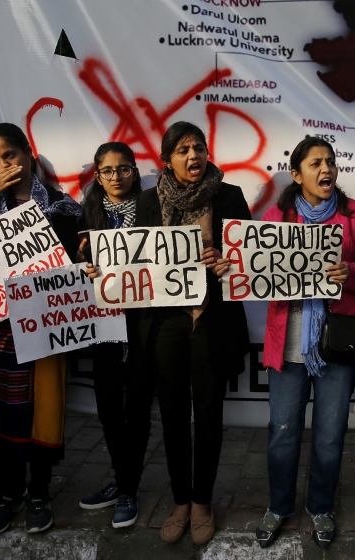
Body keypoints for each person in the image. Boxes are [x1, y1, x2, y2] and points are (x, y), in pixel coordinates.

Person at [215, 137, 355, 549]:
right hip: (287, 343)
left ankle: (321, 506)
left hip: (337, 343)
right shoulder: (277, 216)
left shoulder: (354, 214)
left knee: (329, 433)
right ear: (297, 173)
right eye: (317, 163)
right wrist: (229, 266)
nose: (326, 170)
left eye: (331, 162)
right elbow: (254, 272)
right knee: (283, 430)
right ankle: (280, 505)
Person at [0, 122, 84, 535]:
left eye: (9, 155)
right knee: (3, 411)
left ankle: (39, 493)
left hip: (43, 327)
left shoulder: (65, 209)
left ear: (29, 153)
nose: (4, 165)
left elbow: (72, 268)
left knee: (40, 410)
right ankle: (10, 492)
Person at [135, 121, 251, 545]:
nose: (193, 156)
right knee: (171, 412)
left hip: (213, 319)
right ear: (167, 160)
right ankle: (180, 499)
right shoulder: (148, 202)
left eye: (198, 147)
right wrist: (102, 268)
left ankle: (202, 500)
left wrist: (228, 263)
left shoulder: (230, 196)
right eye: (183, 150)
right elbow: (133, 262)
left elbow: (249, 261)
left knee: (208, 412)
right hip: (167, 322)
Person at [77, 143, 153, 529]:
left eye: (124, 169)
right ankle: (122, 481)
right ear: (97, 174)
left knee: (137, 409)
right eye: (108, 171)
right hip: (102, 324)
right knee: (108, 407)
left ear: (135, 172)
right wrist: (82, 268)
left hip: (141, 325)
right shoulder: (82, 214)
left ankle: (128, 488)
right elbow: (64, 267)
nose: (116, 177)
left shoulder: (152, 209)